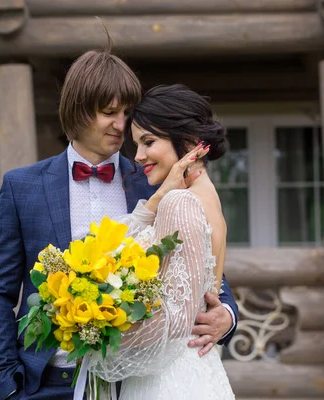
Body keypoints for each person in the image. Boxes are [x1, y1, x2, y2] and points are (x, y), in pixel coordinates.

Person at [0, 49, 238, 400]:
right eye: (109, 112)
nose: (121, 125)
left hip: (131, 382)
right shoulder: (22, 187)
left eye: (127, 113)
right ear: (78, 109)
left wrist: (227, 316)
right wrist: (6, 384)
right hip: (43, 382)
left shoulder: (155, 180)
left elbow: (199, 264)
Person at [87, 84, 236, 399]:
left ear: (189, 142)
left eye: (148, 142)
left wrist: (97, 327)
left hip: (167, 382)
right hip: (197, 371)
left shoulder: (179, 204)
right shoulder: (209, 201)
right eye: (136, 144)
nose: (138, 156)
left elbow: (176, 325)